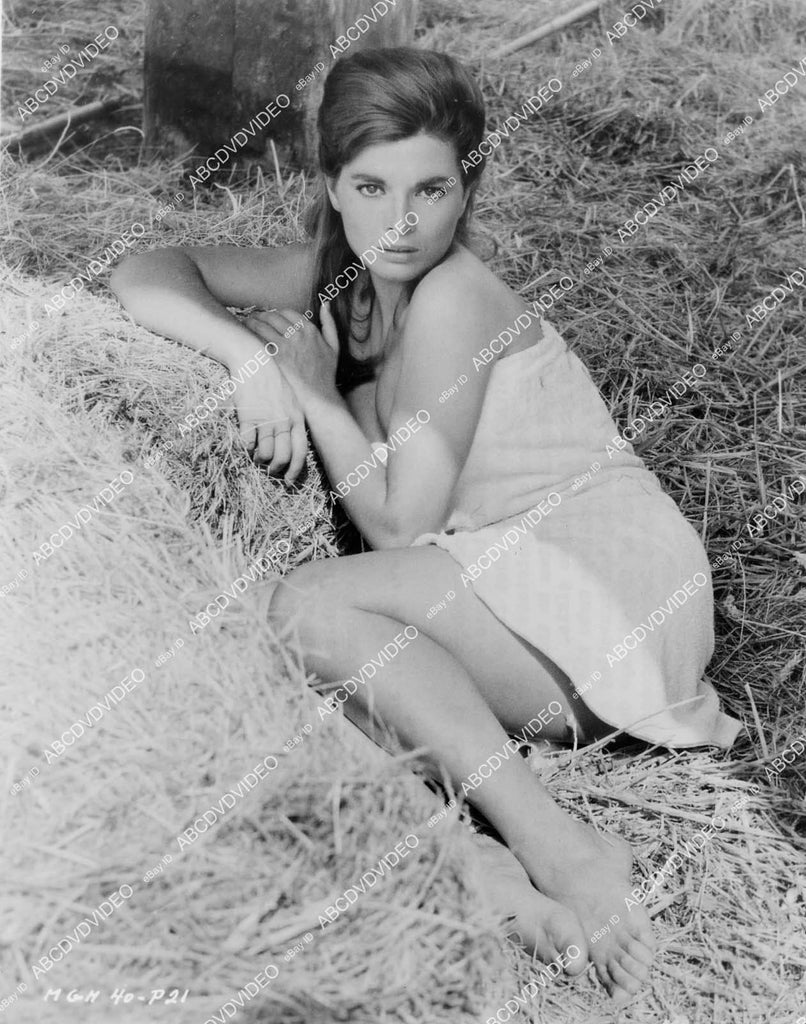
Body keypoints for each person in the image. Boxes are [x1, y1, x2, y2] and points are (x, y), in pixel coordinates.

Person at [111, 46, 741, 1003]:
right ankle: (477, 871)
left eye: (430, 190)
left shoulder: (454, 296)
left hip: (607, 581)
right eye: (372, 187)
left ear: (467, 187)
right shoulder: (344, 278)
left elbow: (401, 534)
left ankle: (562, 848)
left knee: (305, 610)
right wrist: (245, 358)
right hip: (499, 593)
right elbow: (148, 269)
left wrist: (316, 396)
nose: (400, 223)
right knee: (282, 669)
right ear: (333, 186)